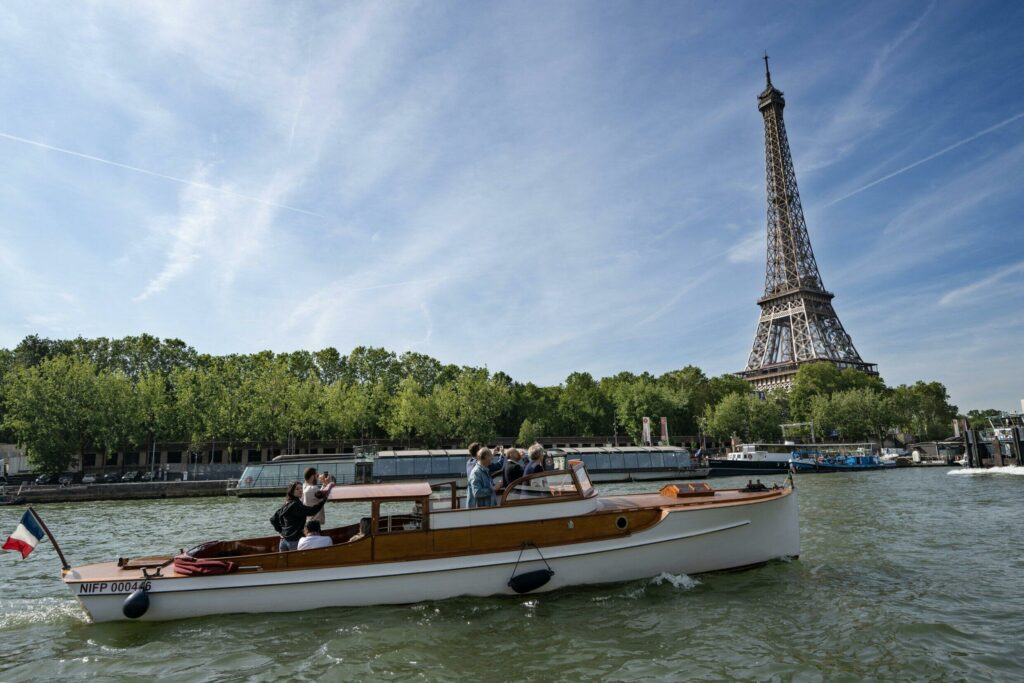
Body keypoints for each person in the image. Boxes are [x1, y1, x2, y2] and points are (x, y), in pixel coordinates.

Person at [271, 480, 333, 551]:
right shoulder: (296, 505)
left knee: (283, 561)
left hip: (283, 540)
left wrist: (281, 531)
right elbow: (311, 511)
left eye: (301, 488)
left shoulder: (286, 504)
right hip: (294, 541)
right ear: (291, 491)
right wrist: (324, 500)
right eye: (297, 489)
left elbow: (273, 519)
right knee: (295, 561)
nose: (300, 490)